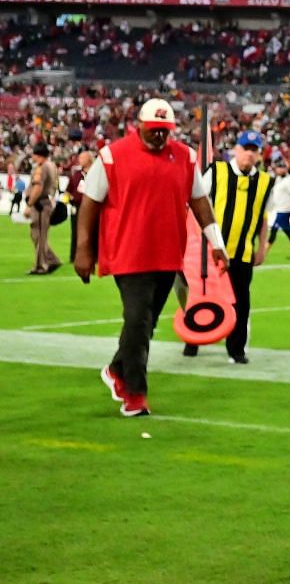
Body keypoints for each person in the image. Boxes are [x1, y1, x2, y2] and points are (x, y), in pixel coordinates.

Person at [75, 98, 228, 419]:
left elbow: (200, 202)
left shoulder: (185, 157)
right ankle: (135, 393)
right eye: (155, 130)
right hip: (128, 253)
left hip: (168, 253)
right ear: (139, 125)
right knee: (138, 319)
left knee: (146, 323)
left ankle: (117, 369)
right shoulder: (112, 156)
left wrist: (216, 242)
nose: (160, 136)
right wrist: (84, 250)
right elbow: (89, 203)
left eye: (165, 131)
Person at [189, 130, 272, 363]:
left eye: (254, 150)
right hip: (212, 250)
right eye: (245, 149)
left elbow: (263, 217)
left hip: (243, 251)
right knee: (201, 297)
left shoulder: (265, 182)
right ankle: (193, 340)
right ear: (236, 149)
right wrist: (197, 240)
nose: (249, 154)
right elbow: (197, 202)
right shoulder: (217, 172)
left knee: (241, 303)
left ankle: (236, 350)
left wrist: (262, 247)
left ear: (259, 154)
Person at [25, 141, 62, 274]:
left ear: (38, 155)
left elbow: (38, 187)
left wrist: (30, 204)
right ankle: (52, 260)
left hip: (40, 204)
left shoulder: (41, 167)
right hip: (47, 203)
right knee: (38, 234)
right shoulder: (52, 166)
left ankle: (41, 265)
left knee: (39, 235)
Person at [266, 155, 290, 260]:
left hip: (285, 210)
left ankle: (264, 252)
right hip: (280, 209)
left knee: (274, 230)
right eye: (278, 168)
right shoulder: (278, 179)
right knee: (287, 231)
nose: (279, 170)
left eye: (281, 168)